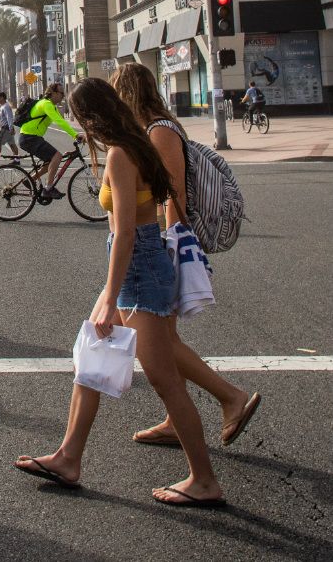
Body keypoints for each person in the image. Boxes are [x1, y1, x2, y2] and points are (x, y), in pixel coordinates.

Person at [15, 77, 227, 508]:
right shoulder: (137, 142)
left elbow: (127, 231)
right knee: (93, 356)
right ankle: (68, 457)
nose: (75, 122)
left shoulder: (120, 153)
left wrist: (111, 296)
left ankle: (204, 480)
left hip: (140, 267)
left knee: (166, 381)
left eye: (76, 114)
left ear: (90, 115)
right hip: (138, 264)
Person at [110, 63, 261, 449]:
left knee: (157, 343)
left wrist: (170, 245)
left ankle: (231, 397)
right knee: (163, 339)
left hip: (164, 245)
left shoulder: (160, 131)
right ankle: (176, 419)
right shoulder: (151, 130)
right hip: (157, 243)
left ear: (127, 93)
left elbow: (174, 194)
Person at [18, 82, 81, 199]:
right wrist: (75, 135)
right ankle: (48, 188)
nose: (63, 96)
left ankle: (30, 180)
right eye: (61, 93)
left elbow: (62, 120)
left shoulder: (51, 105)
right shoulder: (46, 104)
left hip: (31, 137)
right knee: (57, 156)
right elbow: (60, 122)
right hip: (29, 137)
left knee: (50, 162)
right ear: (53, 93)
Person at [0, 92, 20, 164]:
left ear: (2, 98)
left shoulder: (6, 106)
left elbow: (9, 118)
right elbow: (3, 119)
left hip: (5, 129)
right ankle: (17, 159)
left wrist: (11, 128)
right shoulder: (2, 106)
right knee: (12, 144)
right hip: (6, 128)